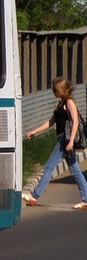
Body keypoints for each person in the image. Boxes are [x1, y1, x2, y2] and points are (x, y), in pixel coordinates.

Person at [23, 76, 87, 209]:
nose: (53, 92)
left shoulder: (69, 102)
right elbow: (51, 122)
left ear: (62, 90)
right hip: (63, 139)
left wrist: (70, 141)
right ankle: (86, 199)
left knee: (48, 167)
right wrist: (35, 131)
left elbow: (75, 122)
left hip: (65, 139)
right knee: (75, 170)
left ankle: (34, 196)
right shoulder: (61, 103)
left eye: (55, 90)